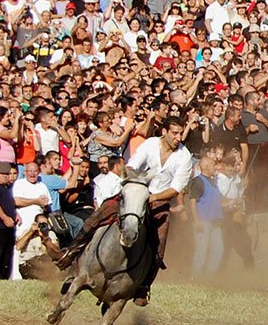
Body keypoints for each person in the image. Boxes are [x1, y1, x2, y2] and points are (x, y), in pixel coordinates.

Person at [55, 117, 192, 306]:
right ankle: (71, 253)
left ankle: (143, 286)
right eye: (174, 133)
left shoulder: (184, 156)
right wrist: (136, 189)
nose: (178, 137)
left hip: (158, 201)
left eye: (180, 133)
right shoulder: (150, 144)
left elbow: (175, 189)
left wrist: (151, 198)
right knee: (98, 216)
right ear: (165, 132)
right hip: (134, 191)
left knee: (159, 243)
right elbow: (131, 166)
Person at [187, 156, 223, 279]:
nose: (216, 167)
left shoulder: (214, 182)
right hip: (203, 221)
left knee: (218, 250)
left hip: (215, 222)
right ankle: (195, 277)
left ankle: (208, 277)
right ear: (206, 166)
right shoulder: (198, 181)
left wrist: (233, 201)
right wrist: (196, 220)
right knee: (201, 250)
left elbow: (219, 200)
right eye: (213, 165)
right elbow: (192, 201)